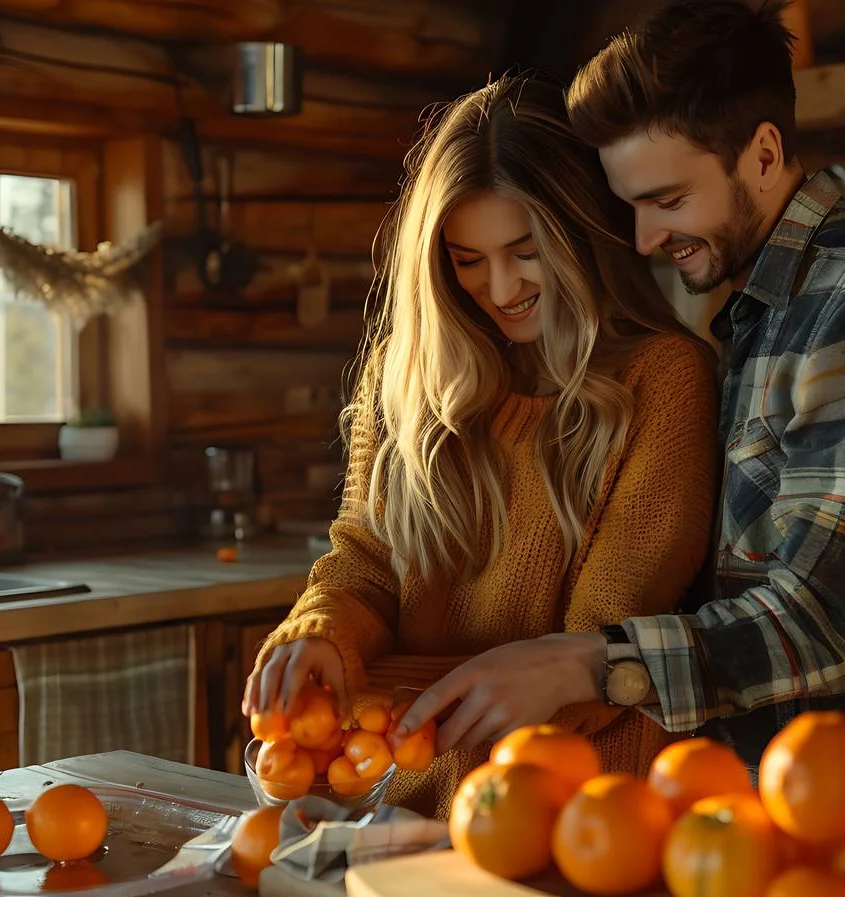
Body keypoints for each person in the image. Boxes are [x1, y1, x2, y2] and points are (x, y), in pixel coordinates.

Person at [395, 0, 845, 788]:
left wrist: (588, 663)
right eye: (631, 205)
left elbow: (821, 617)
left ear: (764, 154)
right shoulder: (768, 308)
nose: (643, 240)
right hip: (770, 803)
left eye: (667, 201)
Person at [242, 71, 720, 819]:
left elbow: (597, 647)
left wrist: (400, 677)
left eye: (525, 250)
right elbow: (366, 564)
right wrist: (325, 633)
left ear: (580, 233)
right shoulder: (406, 375)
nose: (500, 288)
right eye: (468, 260)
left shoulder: (664, 380)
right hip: (400, 800)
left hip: (570, 810)